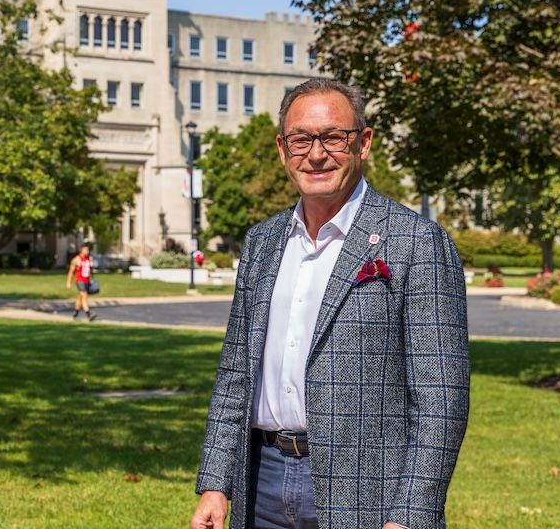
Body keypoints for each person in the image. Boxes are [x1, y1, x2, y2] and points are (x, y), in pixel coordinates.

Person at [191, 77, 470, 529]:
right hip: (260, 482)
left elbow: (441, 400)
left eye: (333, 137)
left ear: (363, 142)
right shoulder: (262, 242)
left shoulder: (417, 242)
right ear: (282, 148)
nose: (316, 154)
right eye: (301, 139)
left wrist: (411, 514)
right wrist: (215, 484)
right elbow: (235, 374)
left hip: (368, 493)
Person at [66, 242, 96, 321]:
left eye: (88, 250)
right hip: (80, 281)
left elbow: (90, 271)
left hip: (87, 281)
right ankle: (89, 314)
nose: (87, 251)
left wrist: (92, 266)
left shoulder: (88, 259)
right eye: (85, 250)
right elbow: (71, 272)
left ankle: (75, 313)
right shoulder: (76, 260)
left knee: (80, 298)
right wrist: (68, 282)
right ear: (81, 250)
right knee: (84, 297)